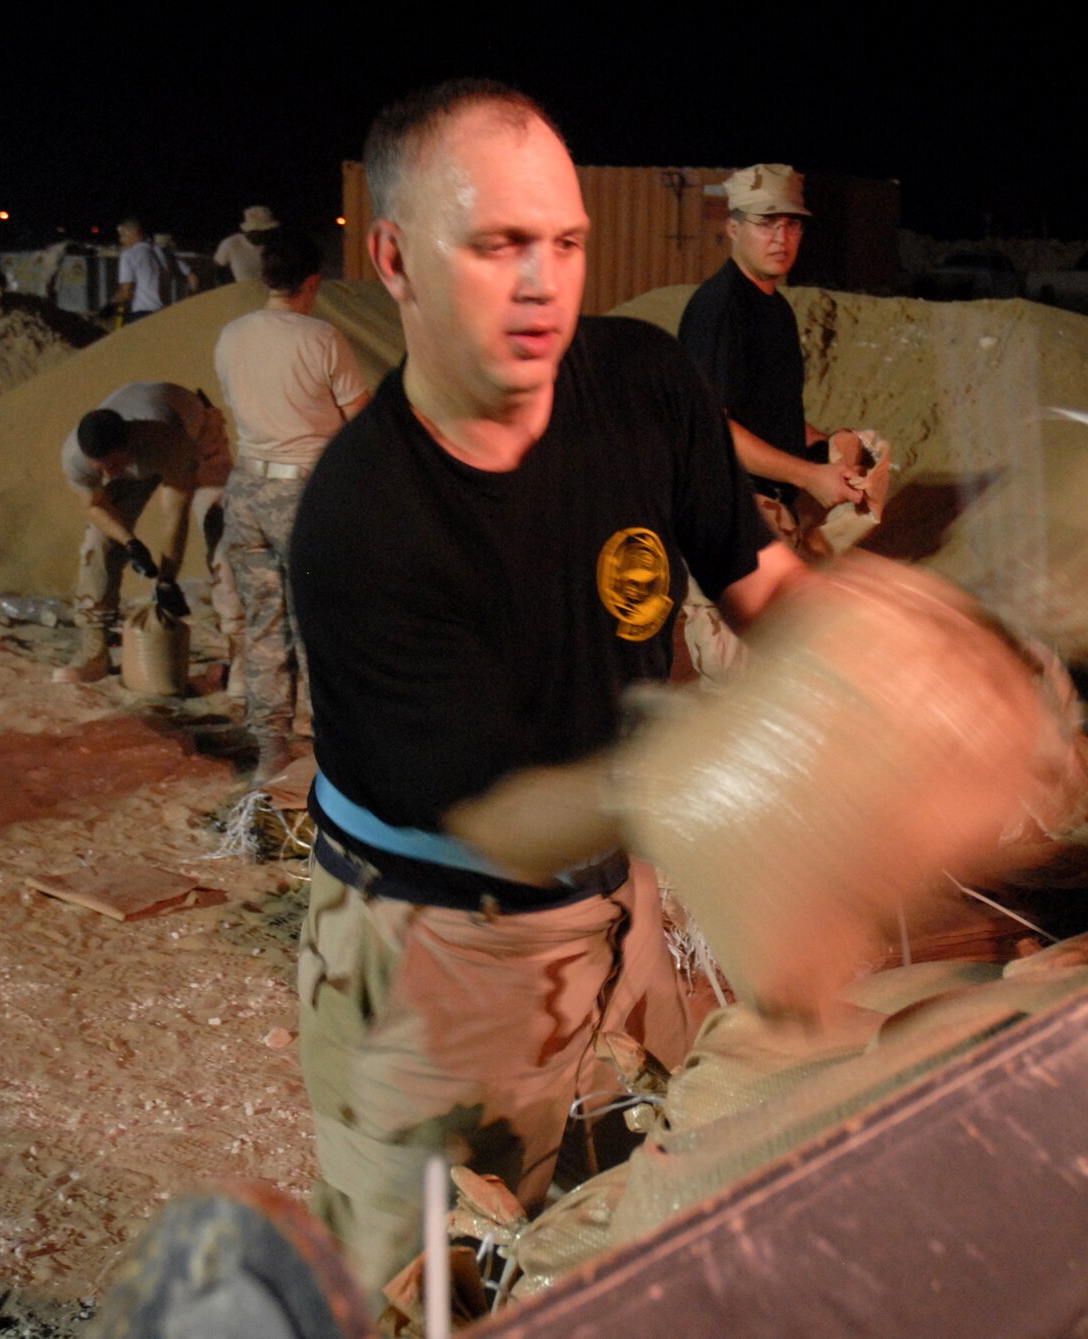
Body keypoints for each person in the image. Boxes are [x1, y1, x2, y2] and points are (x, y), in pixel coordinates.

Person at [286, 81, 804, 1298]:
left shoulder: (641, 386)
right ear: (395, 258)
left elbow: (761, 588)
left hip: (615, 881)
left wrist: (894, 643)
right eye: (497, 245)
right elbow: (515, 815)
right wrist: (778, 769)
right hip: (434, 947)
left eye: (563, 243)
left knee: (616, 1238)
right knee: (426, 1281)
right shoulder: (365, 524)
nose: (541, 285)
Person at [213, 229, 370, 779]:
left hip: (247, 493)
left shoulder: (231, 337)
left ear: (263, 278)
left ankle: (271, 748)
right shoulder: (322, 338)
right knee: (319, 624)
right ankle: (334, 746)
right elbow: (361, 424)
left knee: (263, 622)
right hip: (304, 497)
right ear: (312, 282)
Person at [677, 163, 860, 513]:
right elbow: (712, 430)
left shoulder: (775, 309)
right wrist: (809, 476)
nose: (781, 238)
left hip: (771, 504)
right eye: (765, 223)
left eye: (791, 225)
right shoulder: (719, 308)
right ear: (733, 228)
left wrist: (826, 444)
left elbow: (765, 412)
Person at [53, 382, 225, 683]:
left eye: (113, 465)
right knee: (98, 542)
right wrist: (130, 543)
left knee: (221, 528)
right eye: (100, 469)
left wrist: (167, 577)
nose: (107, 476)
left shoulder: (165, 439)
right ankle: (95, 653)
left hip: (196, 437)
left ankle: (240, 651)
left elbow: (175, 507)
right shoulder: (77, 458)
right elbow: (95, 506)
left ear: (128, 445)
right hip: (136, 460)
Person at [107, 217, 175, 323]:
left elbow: (126, 292)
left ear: (134, 234)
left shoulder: (129, 254)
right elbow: (166, 279)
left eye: (123, 235)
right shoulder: (158, 251)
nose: (121, 240)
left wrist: (107, 310)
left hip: (141, 314)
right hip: (162, 312)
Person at [214, 205, 280, 285]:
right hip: (244, 291)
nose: (265, 235)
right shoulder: (231, 243)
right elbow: (218, 268)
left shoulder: (273, 244)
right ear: (249, 231)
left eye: (267, 232)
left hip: (269, 290)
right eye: (260, 232)